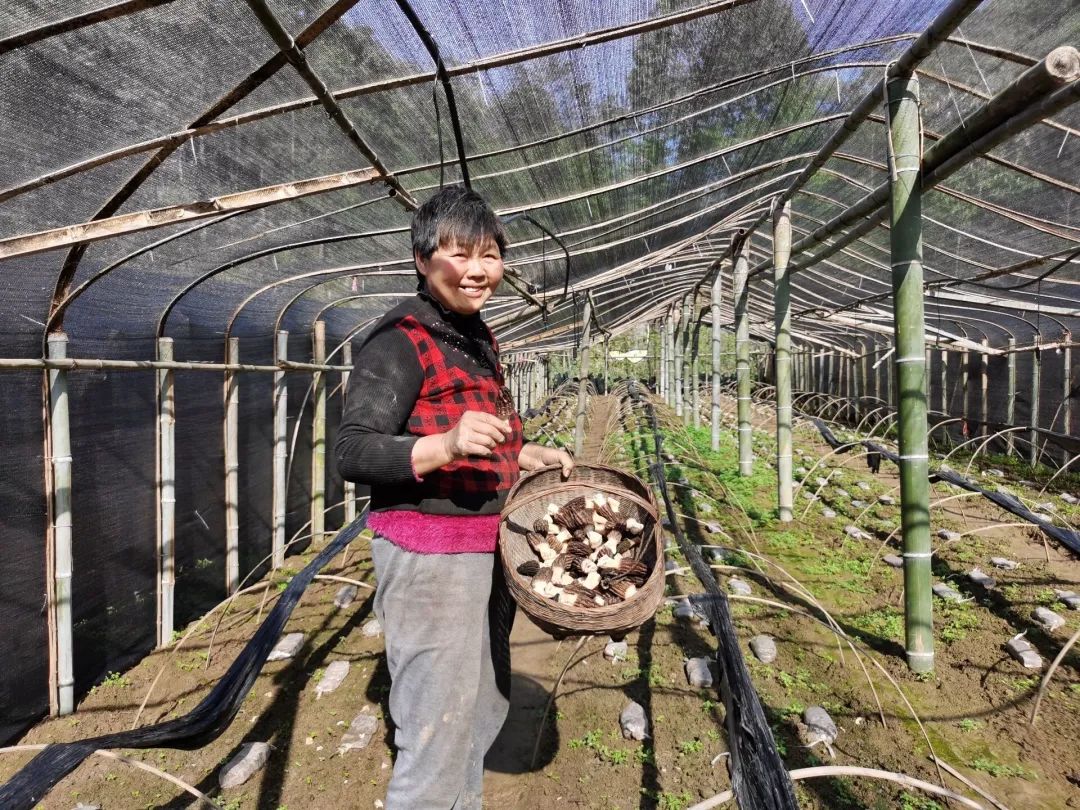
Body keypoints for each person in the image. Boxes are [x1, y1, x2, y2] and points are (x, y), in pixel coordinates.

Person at [335, 185, 574, 809]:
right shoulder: (399, 341)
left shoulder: (472, 336)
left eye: (490, 255)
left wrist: (524, 453)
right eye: (459, 254)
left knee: (483, 702)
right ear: (422, 260)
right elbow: (352, 451)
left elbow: (473, 432)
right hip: (430, 557)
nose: (477, 270)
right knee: (436, 728)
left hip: (484, 546)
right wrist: (442, 445)